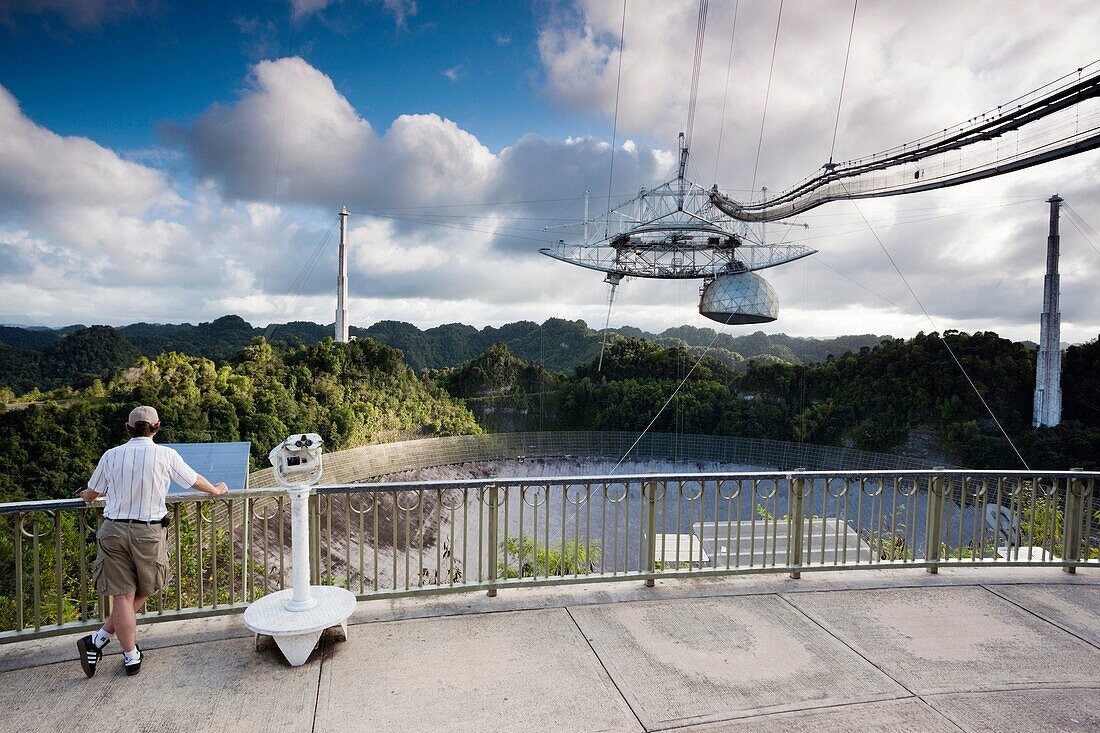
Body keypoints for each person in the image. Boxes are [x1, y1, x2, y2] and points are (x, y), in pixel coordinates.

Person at [75, 406, 228, 677]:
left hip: (113, 530)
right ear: (156, 426)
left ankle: (107, 645)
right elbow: (193, 480)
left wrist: (85, 494)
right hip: (148, 532)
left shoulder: (111, 456)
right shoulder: (165, 455)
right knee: (146, 588)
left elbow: (91, 493)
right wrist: (216, 490)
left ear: (128, 427)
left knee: (123, 594)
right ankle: (122, 650)